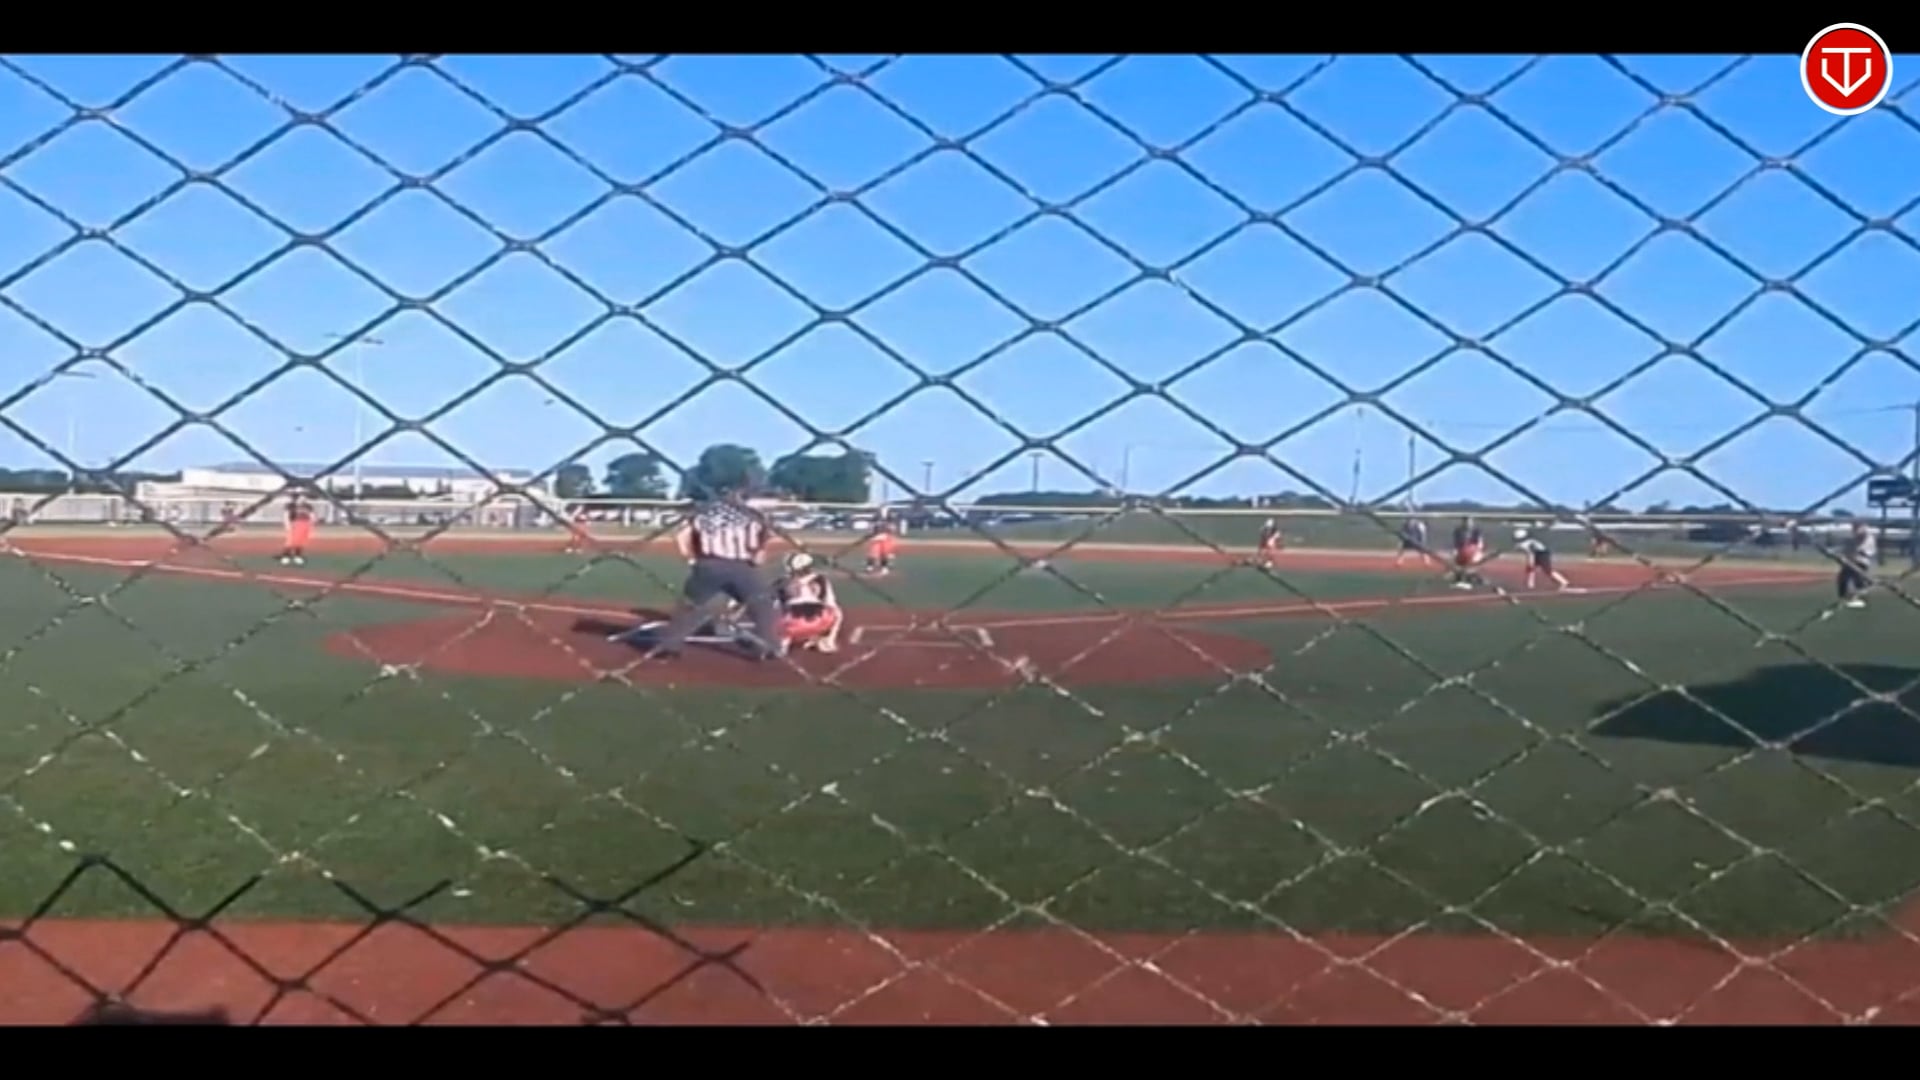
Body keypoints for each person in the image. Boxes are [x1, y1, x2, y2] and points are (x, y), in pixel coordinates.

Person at [644, 483, 784, 661]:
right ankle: (768, 647)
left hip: (708, 565)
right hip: (741, 566)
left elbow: (682, 536)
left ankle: (668, 646)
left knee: (691, 607)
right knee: (762, 605)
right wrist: (758, 554)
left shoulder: (703, 513)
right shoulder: (752, 515)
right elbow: (764, 539)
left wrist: (691, 558)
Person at [777, 552, 844, 653]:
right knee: (837, 612)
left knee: (778, 612)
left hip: (792, 625)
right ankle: (828, 641)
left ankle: (783, 642)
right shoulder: (821, 579)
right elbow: (831, 603)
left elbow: (778, 605)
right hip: (817, 622)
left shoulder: (782, 582)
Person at [1514, 527, 1573, 591]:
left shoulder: (1528, 543)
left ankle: (1564, 582)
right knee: (1530, 568)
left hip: (1543, 553)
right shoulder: (1527, 542)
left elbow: (1531, 554)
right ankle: (1530, 584)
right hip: (1537, 553)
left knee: (1547, 570)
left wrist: (1531, 562)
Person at [1837, 520, 1876, 610]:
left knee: (1857, 579)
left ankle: (1860, 599)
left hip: (1860, 562)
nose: (1853, 529)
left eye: (1855, 527)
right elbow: (1848, 549)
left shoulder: (1867, 536)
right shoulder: (1855, 538)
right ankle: (1844, 597)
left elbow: (1863, 550)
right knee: (1843, 578)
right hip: (1851, 562)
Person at [278, 491, 314, 566]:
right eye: (301, 497)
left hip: (305, 524)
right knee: (290, 541)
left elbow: (311, 515)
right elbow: (286, 515)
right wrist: (287, 525)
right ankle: (286, 556)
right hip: (294, 524)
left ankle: (297, 556)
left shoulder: (308, 506)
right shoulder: (290, 505)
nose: (303, 498)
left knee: (301, 542)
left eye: (304, 497)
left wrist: (311, 525)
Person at [1449, 516, 1485, 589]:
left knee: (1475, 560)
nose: (1468, 523)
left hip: (1473, 550)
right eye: (1466, 521)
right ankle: (1459, 575)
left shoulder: (1476, 531)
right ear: (1463, 522)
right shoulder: (1458, 531)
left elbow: (1480, 543)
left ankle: (1472, 575)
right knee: (1455, 557)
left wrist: (1477, 551)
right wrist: (1455, 551)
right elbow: (1456, 544)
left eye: (1469, 521)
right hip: (1462, 551)